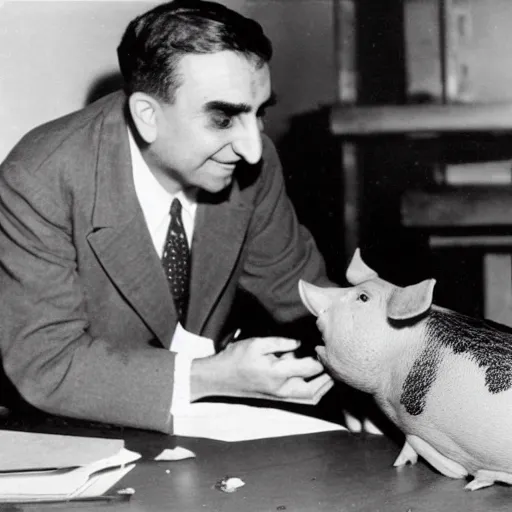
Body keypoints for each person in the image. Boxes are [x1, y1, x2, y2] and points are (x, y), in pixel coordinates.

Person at [0, 0, 335, 434]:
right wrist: (210, 375)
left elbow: (305, 295)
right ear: (147, 116)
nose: (253, 148)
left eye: (260, 113)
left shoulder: (253, 163)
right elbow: (47, 363)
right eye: (223, 118)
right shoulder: (40, 178)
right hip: (63, 435)